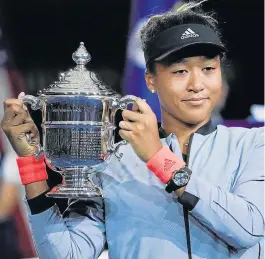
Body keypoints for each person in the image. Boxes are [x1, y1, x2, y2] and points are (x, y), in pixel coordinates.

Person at [1, 1, 264, 258]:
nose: (197, 84)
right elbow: (66, 254)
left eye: (208, 69)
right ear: (150, 79)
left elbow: (248, 229)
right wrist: (31, 164)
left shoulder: (253, 144)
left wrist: (159, 159)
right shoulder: (113, 161)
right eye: (180, 71)